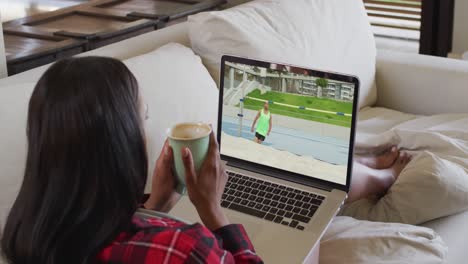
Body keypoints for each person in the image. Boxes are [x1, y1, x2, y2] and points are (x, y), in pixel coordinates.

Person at [0, 57, 263, 264]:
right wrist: (213, 211)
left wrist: (154, 206)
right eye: (143, 118)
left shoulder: (24, 235)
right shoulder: (184, 249)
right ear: (121, 141)